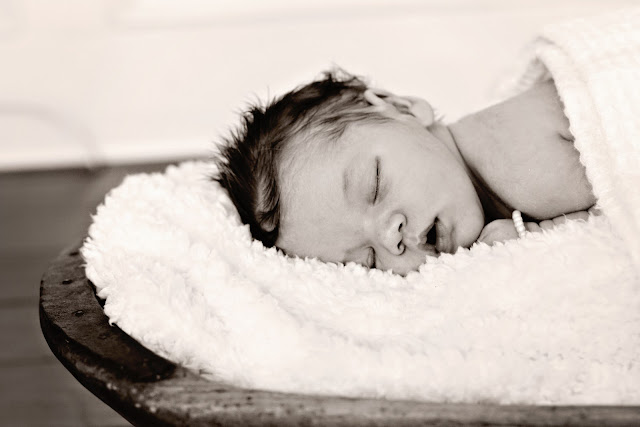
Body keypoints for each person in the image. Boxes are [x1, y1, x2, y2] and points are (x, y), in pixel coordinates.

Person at [214, 70, 596, 275]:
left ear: (403, 109)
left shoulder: (516, 159)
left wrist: (545, 234)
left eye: (374, 186)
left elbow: (618, 207)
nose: (390, 238)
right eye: (368, 261)